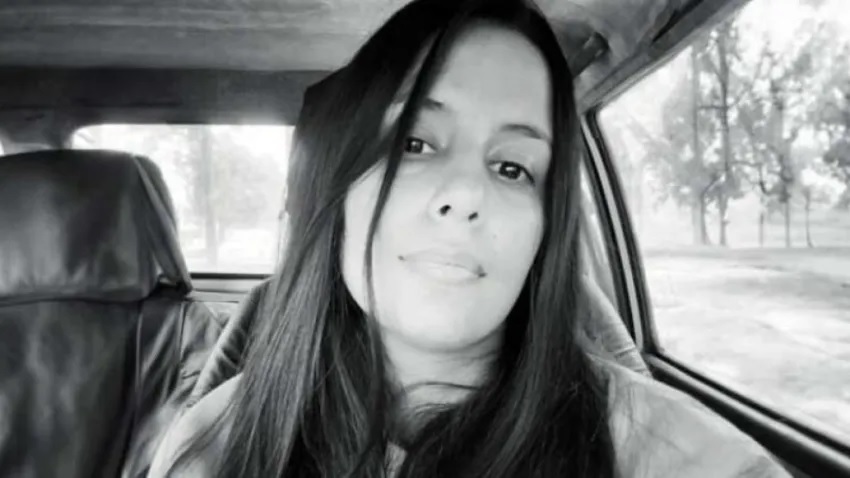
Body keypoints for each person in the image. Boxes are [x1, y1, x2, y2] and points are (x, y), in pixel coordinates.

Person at [148, 0, 791, 476]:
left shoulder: (679, 456)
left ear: (546, 231)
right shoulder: (211, 448)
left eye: (512, 168)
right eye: (414, 143)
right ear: (338, 190)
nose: (466, 194)